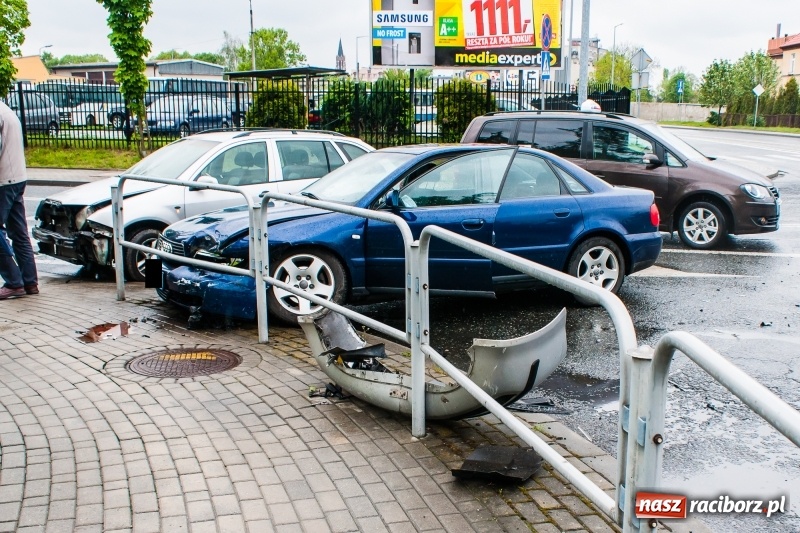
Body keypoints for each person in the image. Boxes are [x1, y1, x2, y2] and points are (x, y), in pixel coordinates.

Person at [0, 99, 38, 299]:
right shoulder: (7, 111)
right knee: (19, 232)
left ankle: (14, 282)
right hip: (17, 178)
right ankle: (30, 281)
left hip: (3, 180)